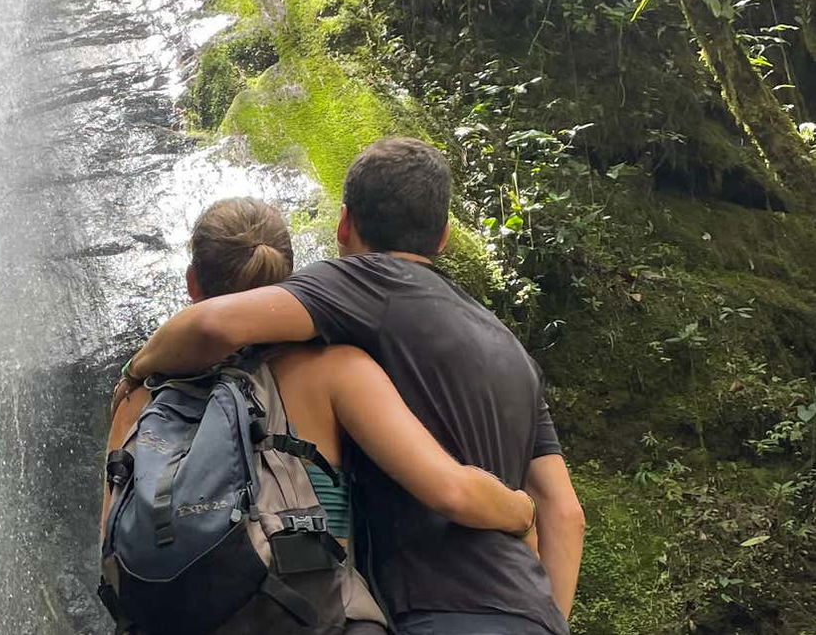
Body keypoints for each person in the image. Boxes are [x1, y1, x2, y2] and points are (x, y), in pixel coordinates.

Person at [117, 140, 586, 635]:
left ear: (343, 225)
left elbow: (214, 326)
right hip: (529, 607)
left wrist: (136, 370)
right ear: (444, 237)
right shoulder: (512, 350)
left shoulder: (361, 286)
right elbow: (567, 513)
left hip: (432, 609)